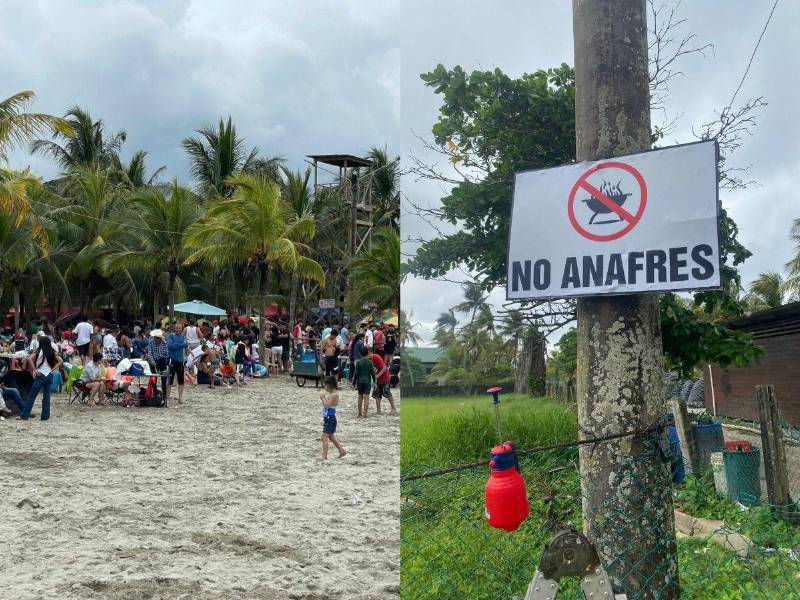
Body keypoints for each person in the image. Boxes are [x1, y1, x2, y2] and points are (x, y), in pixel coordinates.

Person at [19, 337, 62, 421]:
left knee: (32, 396)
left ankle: (24, 415)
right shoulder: (52, 351)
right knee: (46, 397)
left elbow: (29, 359)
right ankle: (45, 416)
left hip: (40, 375)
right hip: (49, 375)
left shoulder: (38, 351)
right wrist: (53, 369)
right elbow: (61, 361)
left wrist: (35, 370)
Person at [319, 376, 346, 460]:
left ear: (329, 385)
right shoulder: (332, 394)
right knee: (331, 436)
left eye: (325, 385)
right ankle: (341, 451)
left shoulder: (334, 395)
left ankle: (324, 456)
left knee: (324, 437)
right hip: (328, 418)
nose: (325, 387)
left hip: (330, 419)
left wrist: (322, 398)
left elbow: (327, 406)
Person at [369, 347, 396, 415]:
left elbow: (384, 367)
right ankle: (378, 410)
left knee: (387, 392)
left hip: (384, 377)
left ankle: (393, 409)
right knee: (377, 394)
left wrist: (378, 375)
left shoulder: (376, 357)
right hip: (377, 379)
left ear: (370, 352)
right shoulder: (367, 360)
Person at [166, 323, 188, 404]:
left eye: (179, 328)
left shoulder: (183, 337)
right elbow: (170, 346)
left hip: (180, 360)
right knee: (170, 379)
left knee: (181, 380)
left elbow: (186, 345)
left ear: (182, 329)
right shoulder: (170, 336)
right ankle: (167, 397)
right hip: (172, 359)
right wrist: (181, 345)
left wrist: (176, 345)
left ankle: (180, 398)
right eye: (176, 328)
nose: (178, 329)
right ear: (174, 328)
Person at [352, 346, 375, 418]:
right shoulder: (370, 363)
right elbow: (373, 373)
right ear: (368, 353)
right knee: (366, 398)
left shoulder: (358, 363)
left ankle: (359, 413)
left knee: (360, 397)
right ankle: (365, 414)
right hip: (367, 382)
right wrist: (375, 382)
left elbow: (356, 374)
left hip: (360, 382)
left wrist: (353, 383)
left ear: (360, 354)